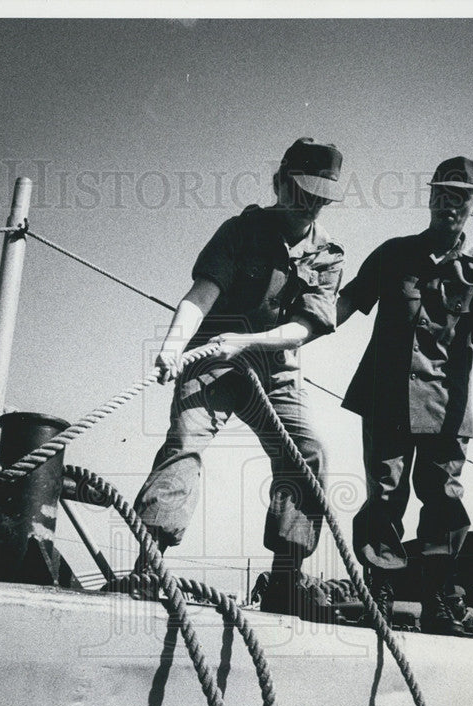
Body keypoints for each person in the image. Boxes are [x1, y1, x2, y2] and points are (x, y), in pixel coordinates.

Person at [132, 138, 345, 618]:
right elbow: (201, 292)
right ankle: (150, 564)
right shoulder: (240, 231)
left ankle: (286, 580)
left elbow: (304, 328)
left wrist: (248, 342)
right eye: (301, 192)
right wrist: (171, 348)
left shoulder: (329, 254)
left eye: (320, 197)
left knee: (307, 453)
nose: (309, 205)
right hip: (211, 357)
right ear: (281, 183)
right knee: (185, 441)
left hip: (273, 365)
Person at [336, 157, 473, 636]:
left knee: (443, 500)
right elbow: (348, 301)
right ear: (429, 197)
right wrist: (296, 334)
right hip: (386, 400)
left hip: (446, 406)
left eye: (459, 196)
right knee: (385, 494)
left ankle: (440, 599)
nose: (447, 204)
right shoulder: (394, 254)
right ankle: (381, 590)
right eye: (440, 193)